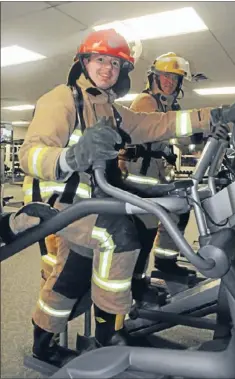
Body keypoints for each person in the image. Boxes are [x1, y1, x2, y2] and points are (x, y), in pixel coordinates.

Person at [18, 29, 211, 366]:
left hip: (88, 204)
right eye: (100, 60)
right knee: (118, 235)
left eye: (115, 64)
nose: (107, 68)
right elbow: (30, 154)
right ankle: (110, 333)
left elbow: (158, 124)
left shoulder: (109, 107)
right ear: (84, 62)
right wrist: (70, 157)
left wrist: (213, 117)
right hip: (57, 205)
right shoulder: (62, 98)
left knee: (71, 277)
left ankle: (43, 345)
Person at [118, 52, 210, 282]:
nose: (170, 82)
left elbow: (179, 135)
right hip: (138, 176)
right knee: (143, 231)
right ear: (154, 78)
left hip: (157, 175)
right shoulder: (146, 101)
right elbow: (161, 127)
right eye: (165, 77)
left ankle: (165, 262)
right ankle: (134, 282)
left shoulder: (170, 105)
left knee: (179, 211)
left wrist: (201, 136)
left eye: (175, 79)